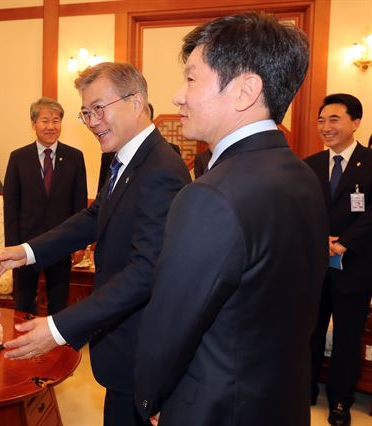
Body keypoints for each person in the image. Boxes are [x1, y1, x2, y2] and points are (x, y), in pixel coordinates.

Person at [133, 12, 328, 426]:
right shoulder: (303, 175)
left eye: (190, 78)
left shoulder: (209, 196)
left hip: (215, 409)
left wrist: (150, 397)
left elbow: (171, 325)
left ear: (245, 90)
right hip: (281, 400)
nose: (177, 96)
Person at [0, 63, 190, 425]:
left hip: (139, 342)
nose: (92, 121)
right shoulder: (124, 160)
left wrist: (57, 327)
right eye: (86, 112)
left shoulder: (161, 168)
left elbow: (146, 272)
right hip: (119, 338)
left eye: (99, 108)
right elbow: (94, 216)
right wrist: (28, 251)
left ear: (137, 101)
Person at [306, 93, 372, 426]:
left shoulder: (370, 162)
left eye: (334, 119)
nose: (325, 127)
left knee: (347, 337)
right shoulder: (310, 165)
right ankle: (305, 390)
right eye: (321, 120)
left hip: (355, 267)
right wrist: (320, 240)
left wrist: (344, 243)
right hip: (315, 266)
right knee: (310, 331)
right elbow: (300, 210)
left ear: (355, 122)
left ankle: (341, 401)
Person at [2, 97, 87, 315]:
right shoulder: (18, 158)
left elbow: (79, 203)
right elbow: (11, 206)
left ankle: (56, 348)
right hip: (25, 245)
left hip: (61, 243)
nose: (51, 126)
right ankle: (23, 345)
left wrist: (79, 243)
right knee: (23, 304)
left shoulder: (74, 157)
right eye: (45, 120)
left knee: (59, 304)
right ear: (33, 124)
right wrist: (12, 246)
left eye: (56, 120)